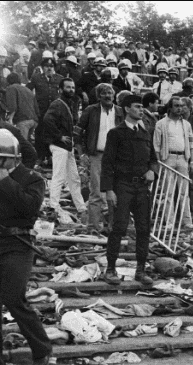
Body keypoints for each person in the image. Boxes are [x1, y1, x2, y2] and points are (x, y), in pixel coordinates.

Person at [0, 129, 53, 365]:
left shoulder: (32, 178)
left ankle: (41, 349)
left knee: (13, 297)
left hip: (18, 243)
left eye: (2, 159)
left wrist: (5, 180)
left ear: (13, 158)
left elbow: (29, 207)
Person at [102, 95, 158, 287]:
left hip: (141, 187)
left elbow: (153, 159)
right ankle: (111, 269)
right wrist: (109, 190)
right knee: (118, 227)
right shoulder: (116, 133)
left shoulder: (145, 133)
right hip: (122, 185)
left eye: (142, 107)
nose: (141, 110)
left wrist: (152, 171)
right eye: (137, 106)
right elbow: (107, 163)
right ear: (126, 109)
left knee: (143, 228)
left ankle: (141, 270)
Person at [75, 83, 124, 232]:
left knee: (115, 191)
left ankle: (113, 227)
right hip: (97, 155)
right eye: (104, 93)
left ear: (114, 95)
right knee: (96, 192)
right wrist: (81, 153)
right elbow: (77, 132)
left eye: (110, 93)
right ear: (98, 96)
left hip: (117, 157)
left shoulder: (120, 111)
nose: (108, 96)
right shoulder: (91, 110)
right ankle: (93, 227)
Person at [42, 77, 87, 222]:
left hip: (67, 146)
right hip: (59, 146)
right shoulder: (57, 104)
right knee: (59, 176)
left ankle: (81, 207)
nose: (71, 90)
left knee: (74, 178)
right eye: (68, 87)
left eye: (73, 87)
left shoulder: (68, 103)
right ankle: (53, 206)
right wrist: (59, 136)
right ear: (60, 89)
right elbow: (47, 120)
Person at [154, 97, 193, 230]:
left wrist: (192, 161)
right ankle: (170, 221)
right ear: (170, 107)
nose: (180, 108)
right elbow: (156, 145)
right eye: (176, 106)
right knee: (168, 192)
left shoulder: (186, 124)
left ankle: (186, 221)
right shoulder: (161, 124)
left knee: (184, 192)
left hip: (183, 158)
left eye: (181, 106)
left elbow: (191, 143)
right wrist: (159, 162)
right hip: (168, 158)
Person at [5, 73, 39, 142]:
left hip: (22, 121)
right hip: (34, 121)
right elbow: (36, 107)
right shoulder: (27, 89)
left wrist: (10, 119)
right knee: (28, 144)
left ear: (8, 81)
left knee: (21, 144)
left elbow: (13, 106)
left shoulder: (11, 88)